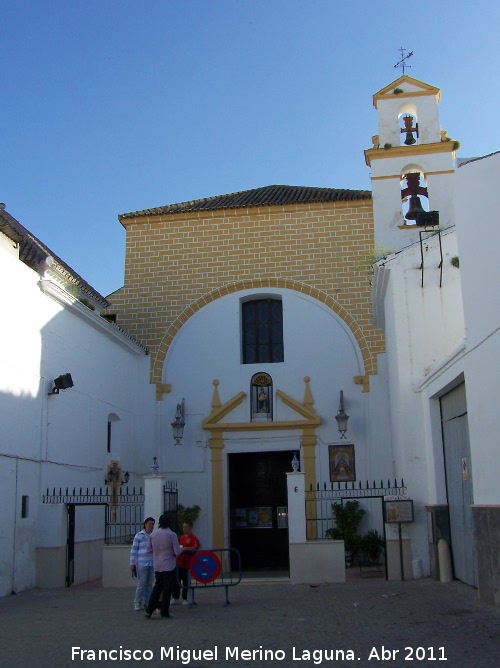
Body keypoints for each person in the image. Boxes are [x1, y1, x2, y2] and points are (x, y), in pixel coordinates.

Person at [144, 513, 182, 619]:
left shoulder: (153, 534)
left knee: (157, 588)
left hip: (157, 564)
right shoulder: (171, 534)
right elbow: (177, 551)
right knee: (167, 589)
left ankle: (149, 610)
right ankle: (164, 612)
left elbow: (149, 549)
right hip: (169, 564)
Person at [171, 521, 200, 606]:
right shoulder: (181, 537)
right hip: (180, 562)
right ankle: (175, 597)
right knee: (176, 581)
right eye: (183, 527)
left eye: (186, 527)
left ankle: (186, 598)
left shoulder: (193, 537)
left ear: (190, 528)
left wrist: (185, 549)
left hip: (188, 563)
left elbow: (195, 548)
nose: (184, 529)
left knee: (186, 581)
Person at [129, 517, 155, 611]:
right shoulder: (139, 536)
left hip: (151, 563)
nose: (151, 526)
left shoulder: (154, 536)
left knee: (149, 584)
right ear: (145, 524)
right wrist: (132, 563)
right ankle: (137, 602)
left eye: (152, 524)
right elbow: (134, 550)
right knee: (141, 583)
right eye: (149, 524)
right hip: (142, 563)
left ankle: (147, 602)